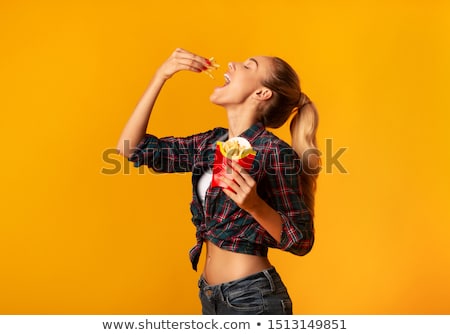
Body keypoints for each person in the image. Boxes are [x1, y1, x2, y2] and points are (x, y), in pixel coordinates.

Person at [116, 48, 320, 315]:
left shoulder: (274, 152)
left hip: (253, 298)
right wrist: (161, 76)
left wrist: (255, 205)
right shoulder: (210, 143)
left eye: (249, 66)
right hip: (209, 295)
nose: (234, 63)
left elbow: (301, 241)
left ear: (262, 93)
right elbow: (132, 149)